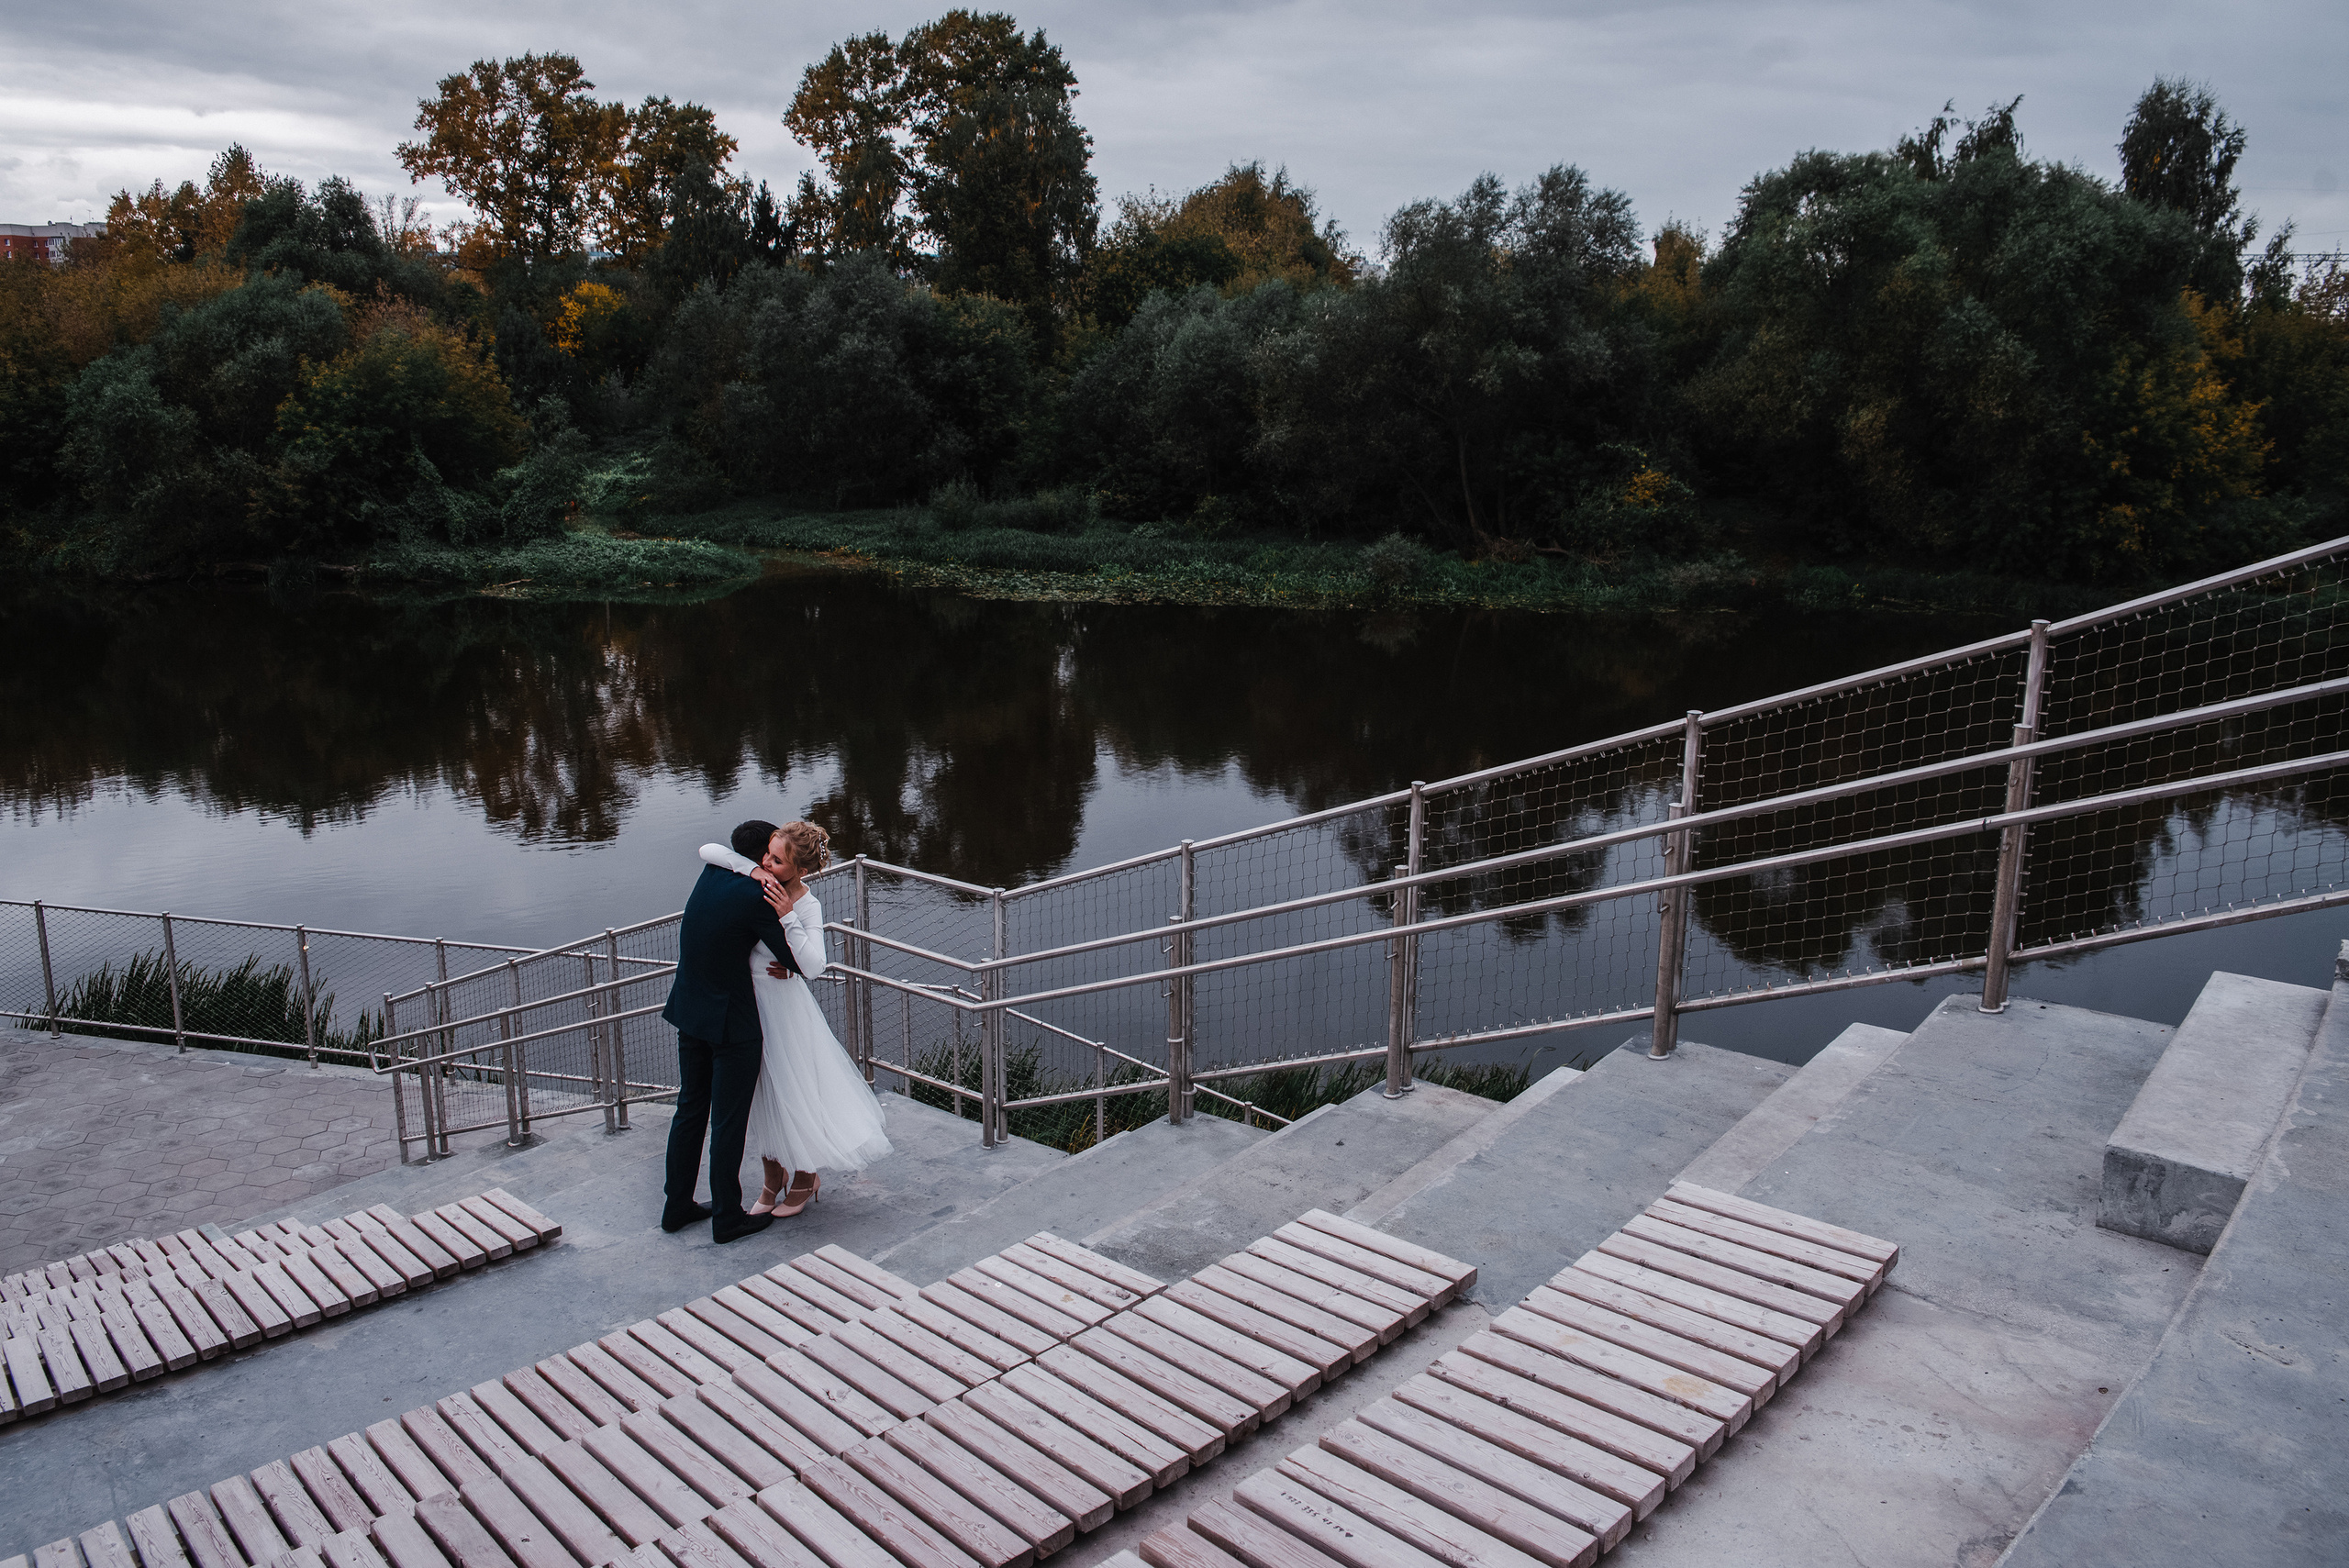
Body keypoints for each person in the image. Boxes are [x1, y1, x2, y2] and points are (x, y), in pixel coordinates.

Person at [697, 818, 892, 1215]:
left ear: (801, 871)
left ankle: (805, 1176)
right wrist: (752, 868)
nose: (766, 864)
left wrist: (788, 917)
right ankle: (773, 1178)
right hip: (746, 1004)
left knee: (791, 1093)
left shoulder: (806, 903)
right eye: (767, 855)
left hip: (782, 1008)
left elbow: (815, 965)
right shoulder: (759, 878)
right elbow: (710, 851)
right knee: (760, 1098)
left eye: (776, 862)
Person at [657, 818, 803, 1243]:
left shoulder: (713, 873)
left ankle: (677, 1206)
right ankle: (727, 1217)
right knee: (727, 1122)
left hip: (689, 1009)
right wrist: (789, 918)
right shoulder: (759, 895)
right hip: (731, 1024)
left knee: (689, 1110)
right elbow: (794, 959)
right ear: (761, 858)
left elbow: (710, 849)